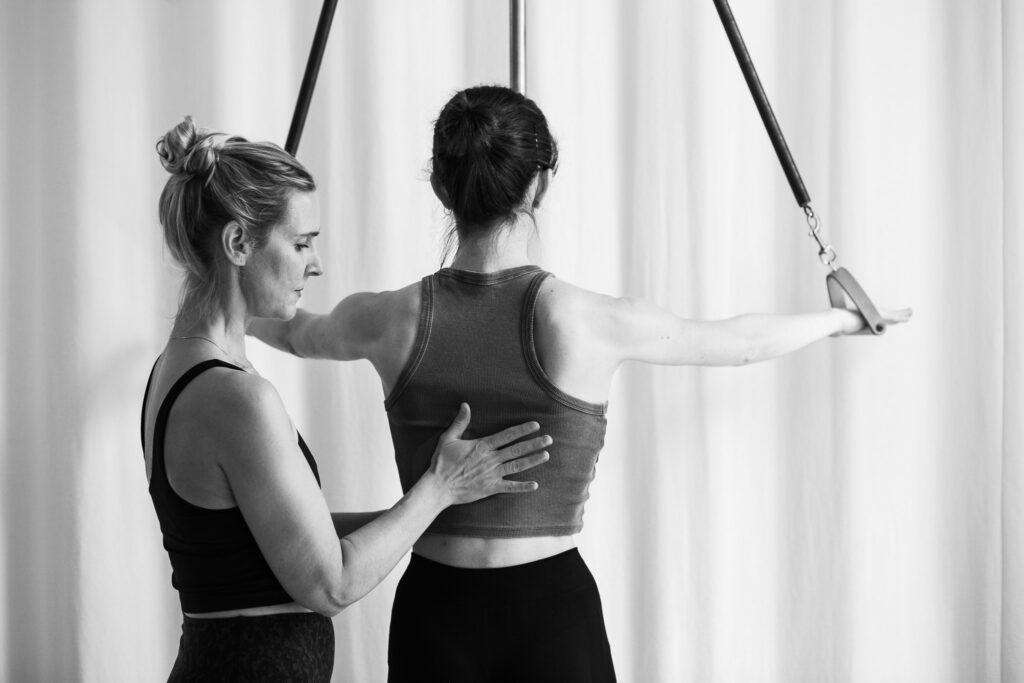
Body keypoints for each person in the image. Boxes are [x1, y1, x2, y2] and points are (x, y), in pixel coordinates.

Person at [249, 85, 912, 682]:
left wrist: (226, 282)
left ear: (441, 187)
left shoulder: (388, 317)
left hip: (435, 612)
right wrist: (839, 317)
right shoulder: (584, 320)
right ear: (537, 186)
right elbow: (732, 344)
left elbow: (293, 330)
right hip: (551, 615)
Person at [143, 116, 552, 682]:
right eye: (301, 242)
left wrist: (429, 515)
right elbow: (330, 583)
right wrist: (437, 490)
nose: (316, 263)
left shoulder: (178, 367)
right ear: (238, 242)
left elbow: (279, 530)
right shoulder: (237, 396)